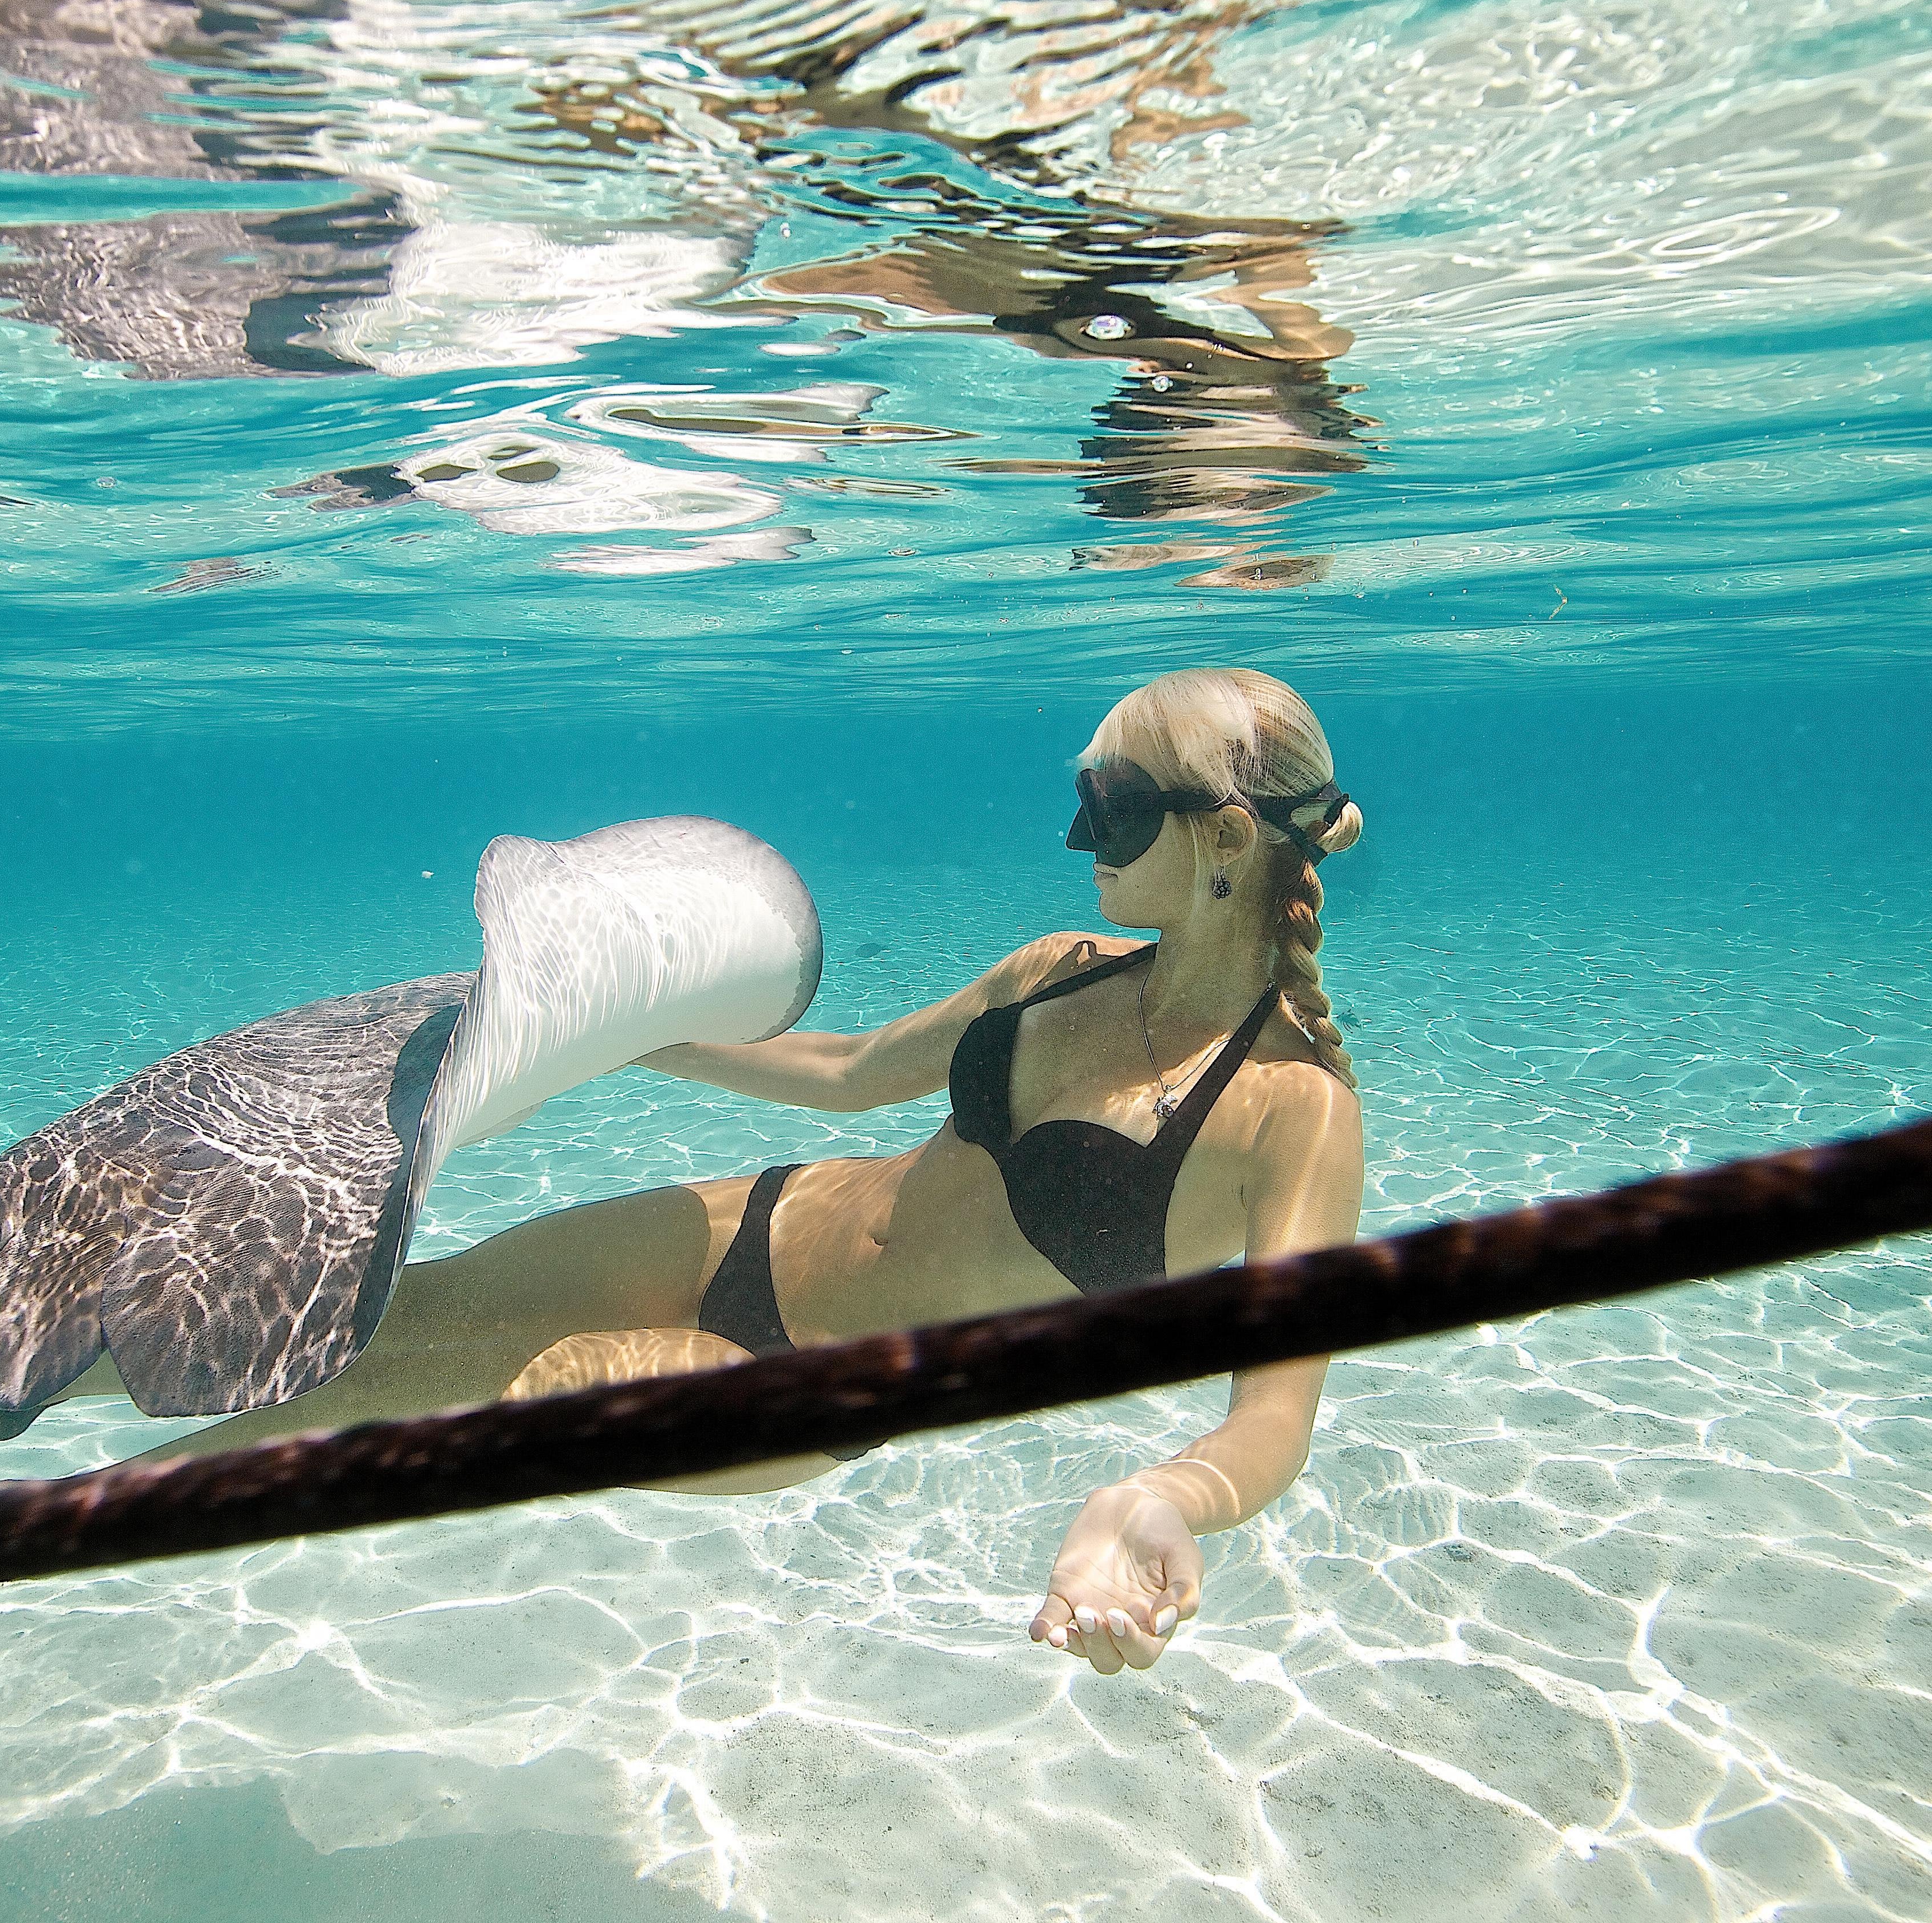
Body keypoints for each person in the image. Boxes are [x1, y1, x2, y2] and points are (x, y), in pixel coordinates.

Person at [160, 667, 1367, 1674]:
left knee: (459, 1392)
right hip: (764, 1216)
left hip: (802, 1381)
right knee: (383, 1312)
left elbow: (1275, 1416)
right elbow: (847, 1073)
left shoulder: (1291, 1117)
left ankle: (65, 1517)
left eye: (1110, 810)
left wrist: (1163, 1498)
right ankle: (5, 1360)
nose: (1077, 838)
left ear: (1221, 839)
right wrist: (633, 1035)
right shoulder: (1059, 969)